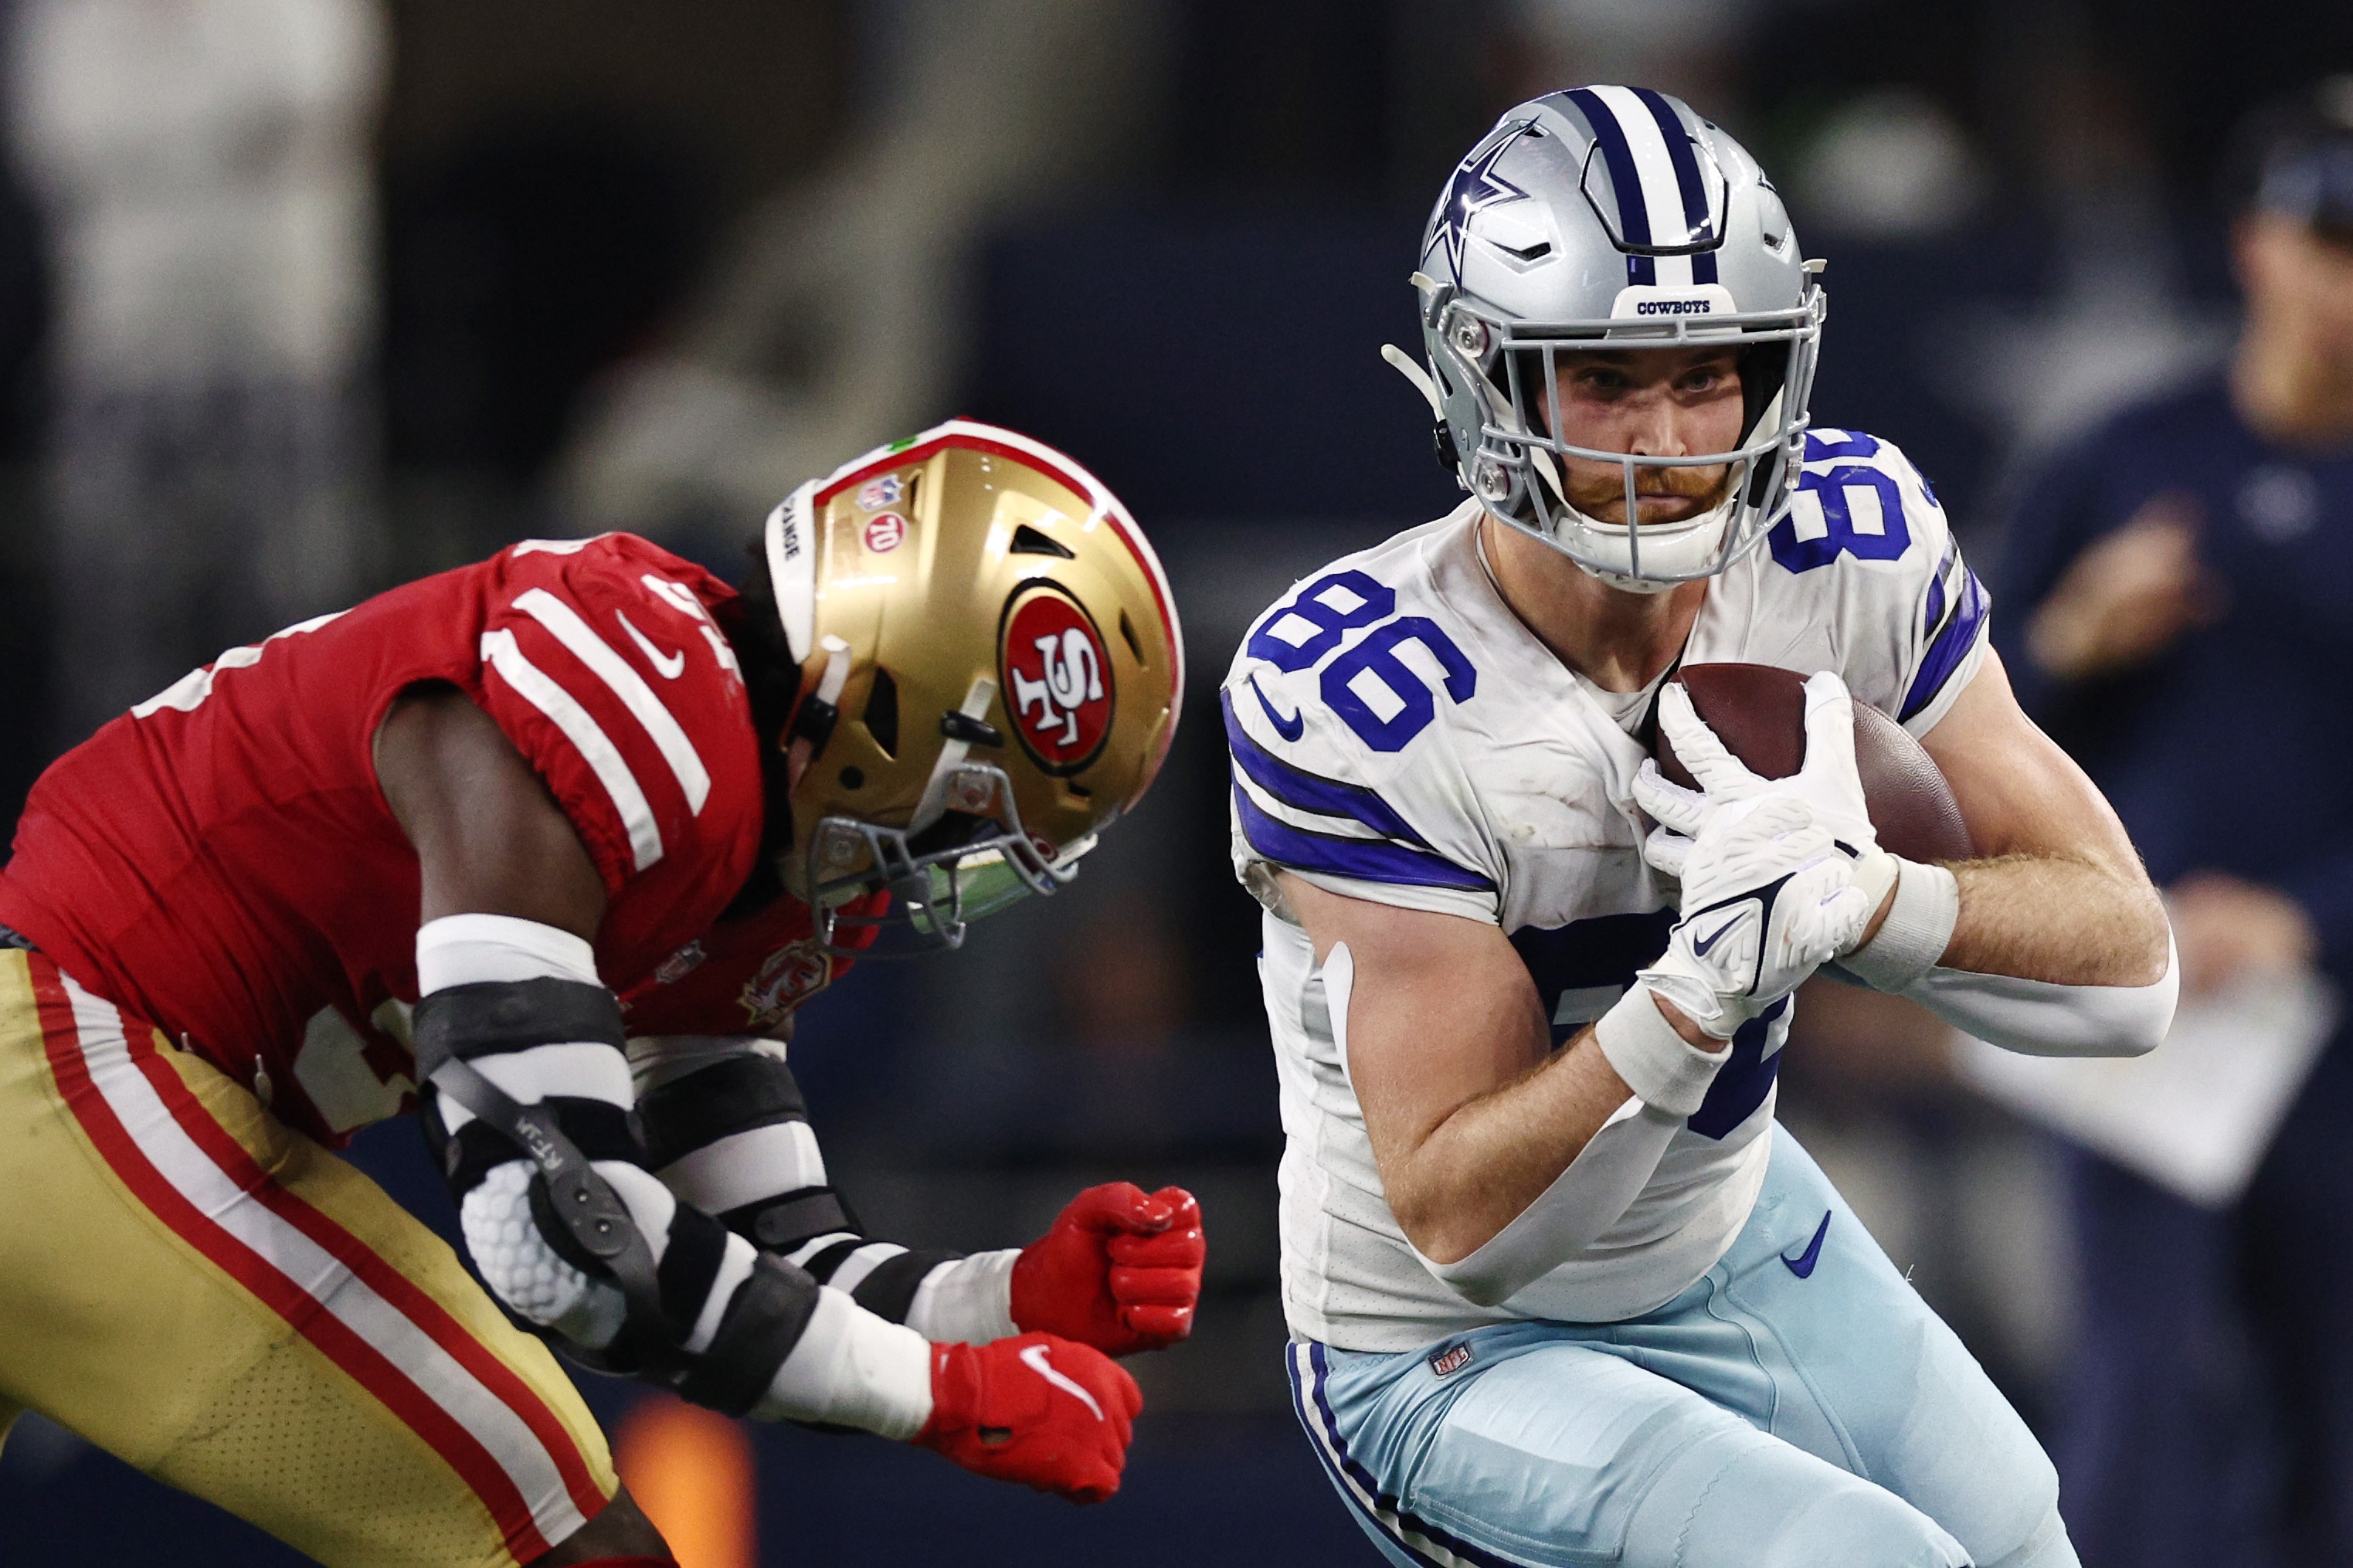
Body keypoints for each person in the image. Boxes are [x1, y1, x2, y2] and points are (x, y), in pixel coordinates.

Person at [1224, 87, 2175, 1567]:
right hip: (1441, 1352)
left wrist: (1868, 906)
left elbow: (2128, 971)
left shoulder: (1839, 542)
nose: (1665, 438)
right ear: (1491, 378)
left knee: (2024, 1540)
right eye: (1606, 379)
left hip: (1718, 1230)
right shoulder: (1366, 690)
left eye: (1707, 374)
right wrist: (1697, 990)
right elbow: (1467, 1231)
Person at [0, 418, 1207, 1567]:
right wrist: (939, 1397)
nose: (956, 868)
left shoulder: (752, 850)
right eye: (974, 818)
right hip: (72, 1054)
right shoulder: (635, 691)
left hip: (102, 1089)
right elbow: (558, 1237)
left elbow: (762, 1256)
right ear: (892, 707)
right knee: (567, 1539)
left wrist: (999, 1300)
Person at [1993, 80, 2353, 1568]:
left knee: (2334, 1417)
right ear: (2258, 245)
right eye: (2329, 236)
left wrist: (2307, 918)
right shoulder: (2126, 457)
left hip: (2332, 1011)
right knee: (2135, 1399)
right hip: (2149, 1008)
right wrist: (2075, 636)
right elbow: (1960, 742)